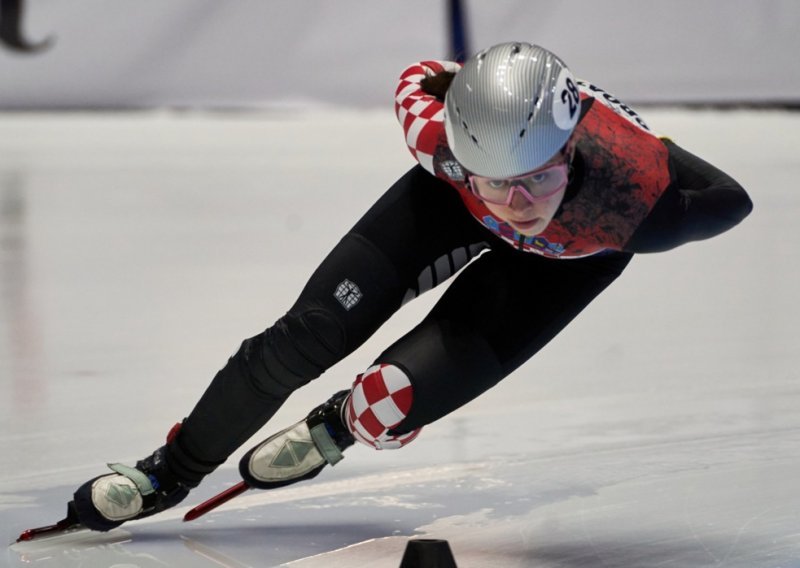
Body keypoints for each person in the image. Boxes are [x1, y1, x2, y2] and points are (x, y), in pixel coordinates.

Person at [66, 42, 752, 530]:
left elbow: (732, 197)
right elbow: (428, 73)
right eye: (496, 180)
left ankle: (337, 428)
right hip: (445, 206)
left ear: (571, 150)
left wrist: (650, 142)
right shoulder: (435, 136)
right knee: (300, 341)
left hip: (563, 263)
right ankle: (165, 472)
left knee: (382, 406)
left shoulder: (638, 203)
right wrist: (486, 133)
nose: (517, 204)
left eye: (537, 176)